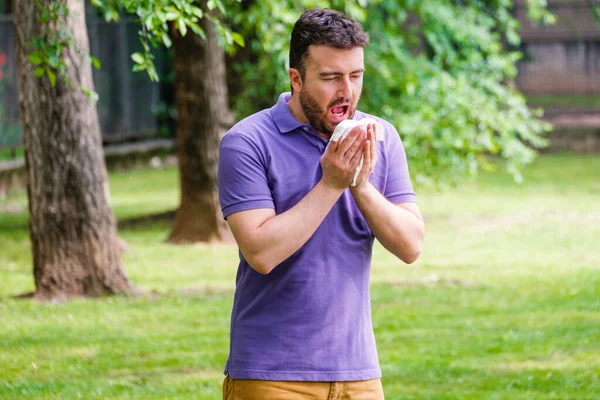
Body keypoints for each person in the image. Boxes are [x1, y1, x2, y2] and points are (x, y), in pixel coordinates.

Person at [218, 8, 424, 399]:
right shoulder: (247, 142)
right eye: (330, 78)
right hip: (271, 375)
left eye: (356, 75)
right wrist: (332, 184)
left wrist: (360, 185)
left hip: (359, 374)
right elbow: (261, 252)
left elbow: (411, 245)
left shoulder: (380, 137)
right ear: (296, 79)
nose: (346, 91)